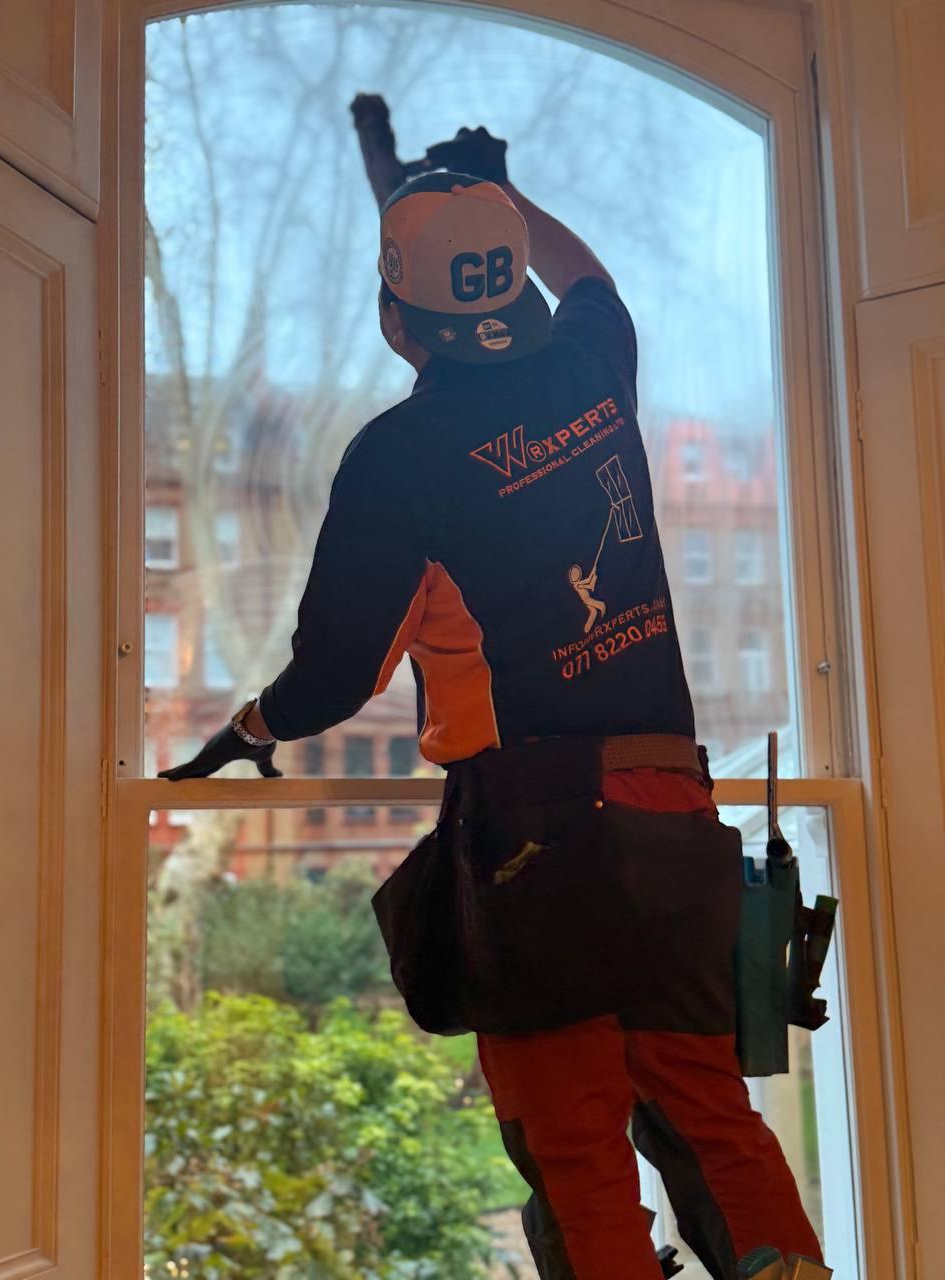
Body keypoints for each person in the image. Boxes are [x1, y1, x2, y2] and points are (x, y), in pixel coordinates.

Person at [160, 128, 828, 1280]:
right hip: (670, 797)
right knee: (711, 1114)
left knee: (576, 1148)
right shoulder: (594, 368)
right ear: (517, 289)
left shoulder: (399, 454)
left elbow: (334, 673)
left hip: (533, 830)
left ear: (396, 321)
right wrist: (507, 195)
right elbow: (591, 279)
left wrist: (248, 727)